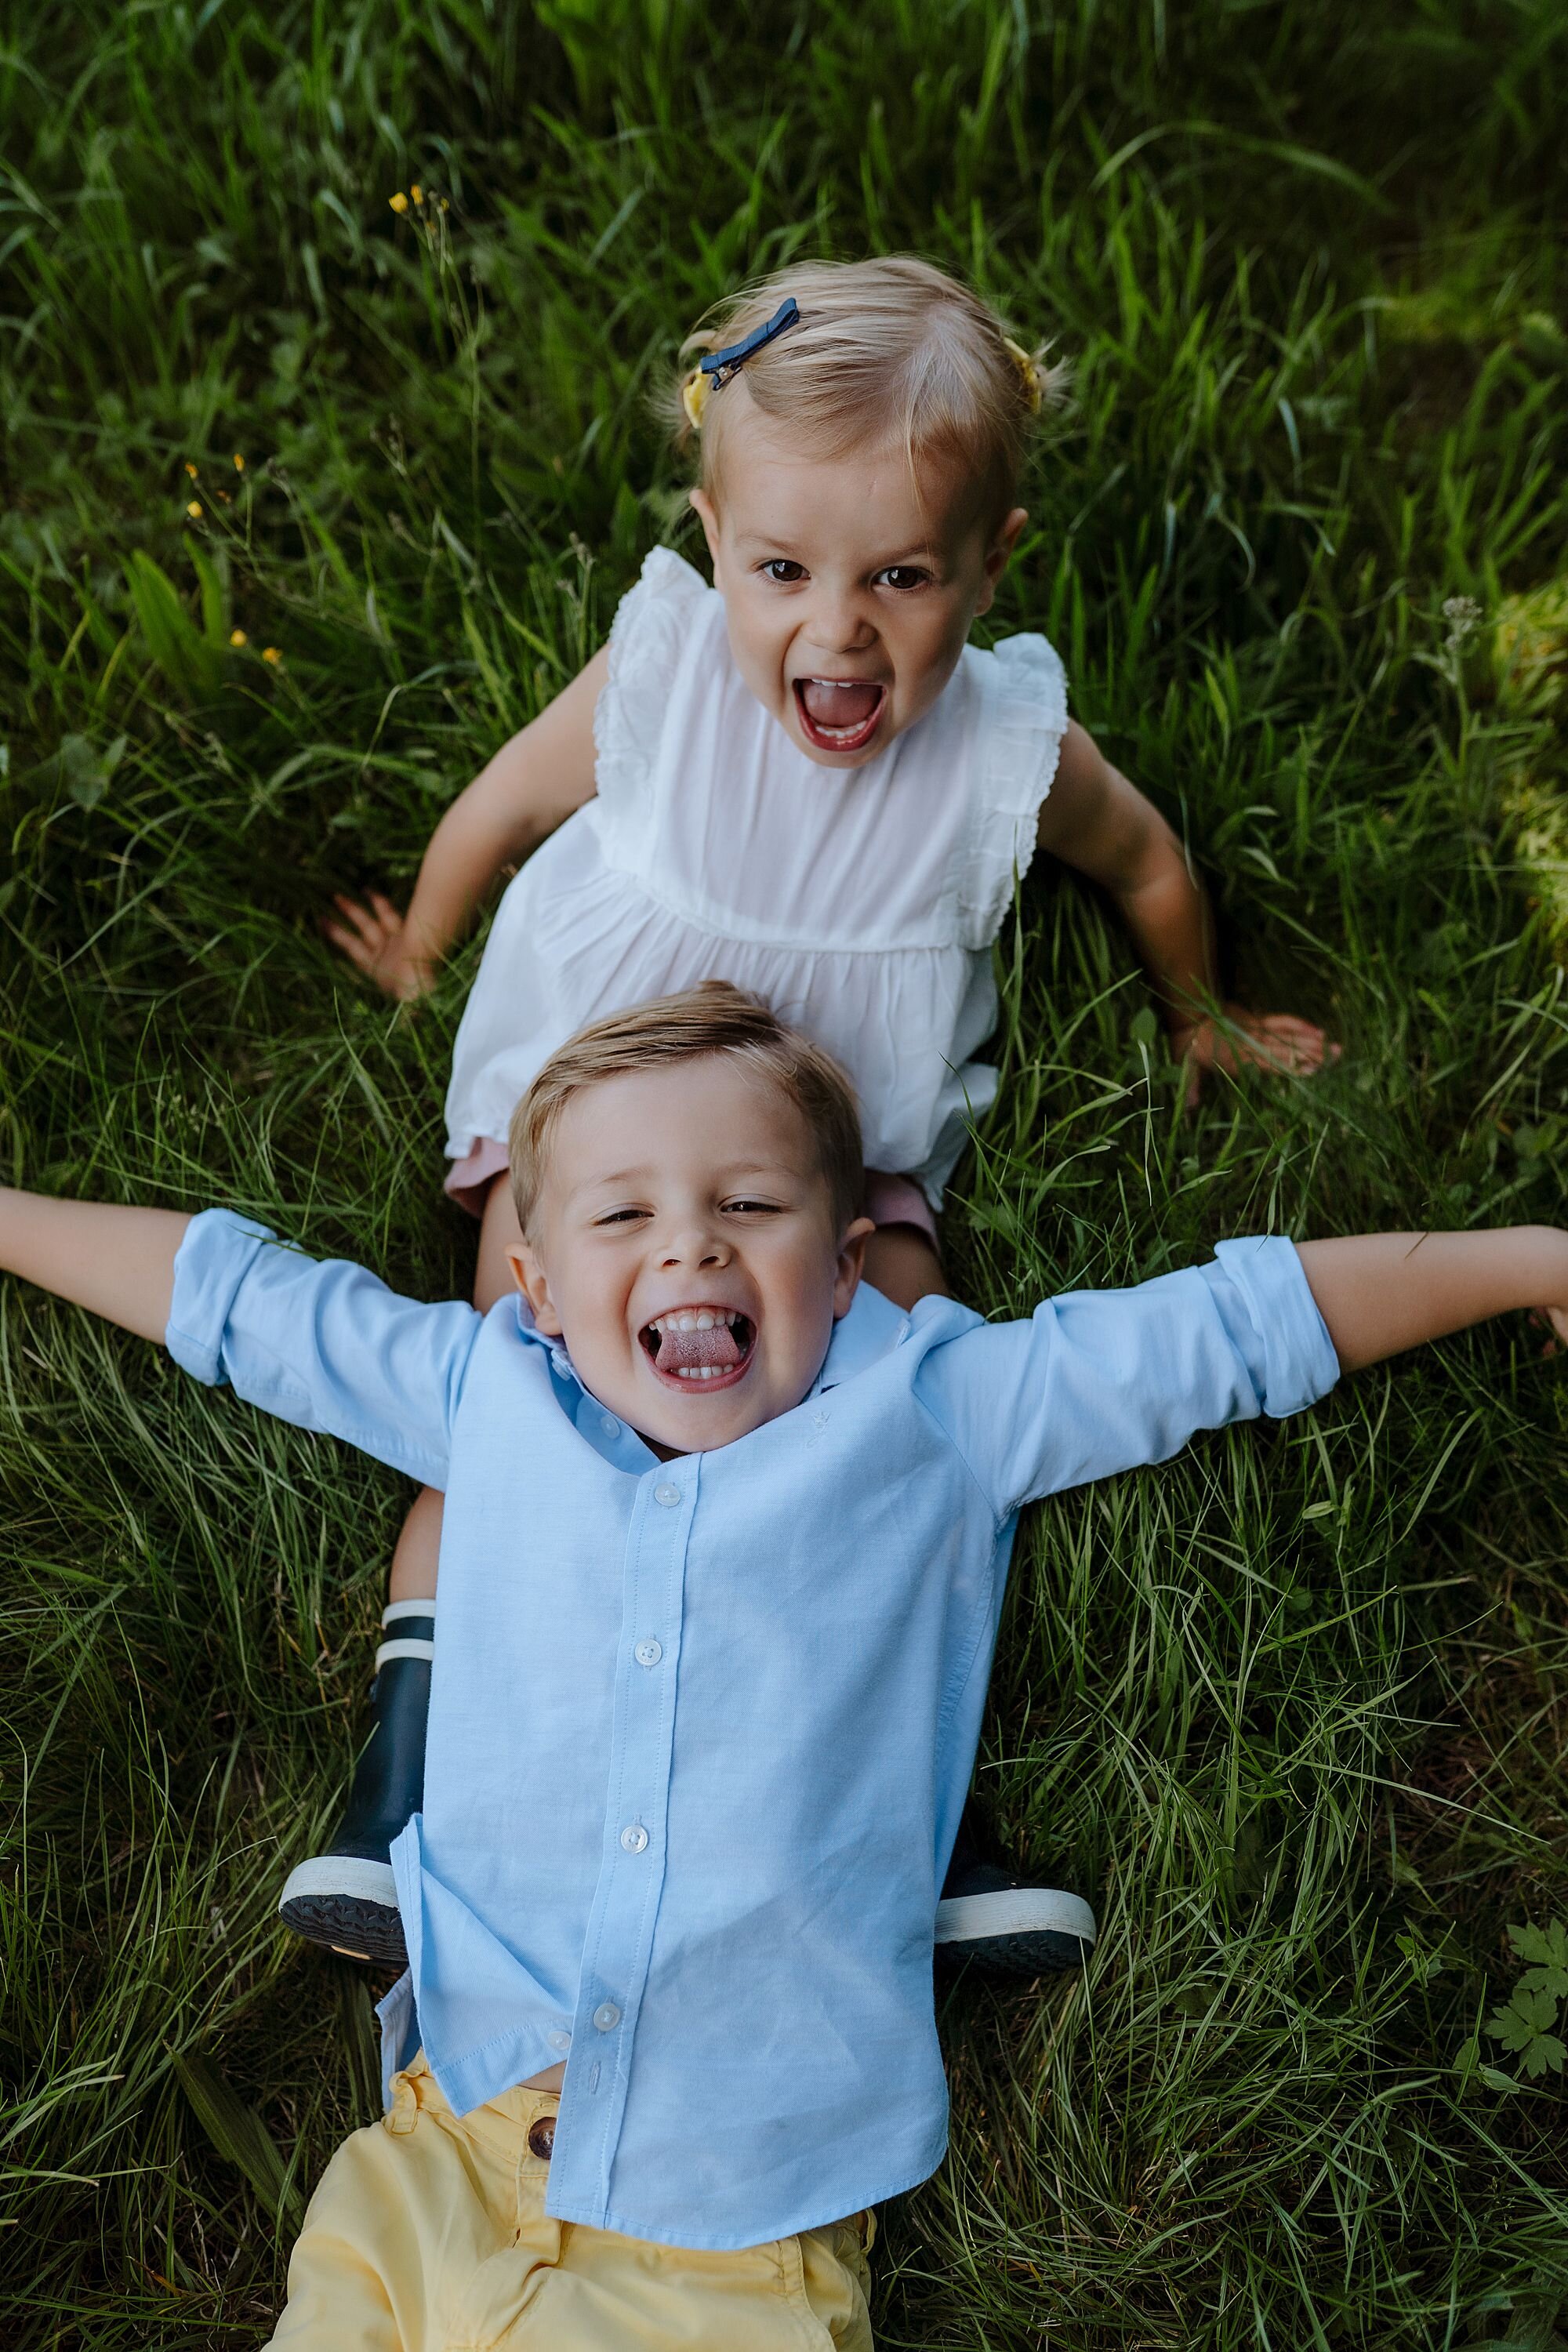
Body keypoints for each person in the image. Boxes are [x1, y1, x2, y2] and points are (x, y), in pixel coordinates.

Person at [0, 982, 1562, 2351]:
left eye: (747, 1203)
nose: (687, 1236)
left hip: (739, 2219)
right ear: (538, 1287)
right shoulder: (490, 1393)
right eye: (621, 1214)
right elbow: (241, 1300)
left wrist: (1523, 1259)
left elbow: (1227, 1332)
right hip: (437, 2156)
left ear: (841, 1266)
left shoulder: (941, 1408)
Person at [313, 253, 1333, 1975]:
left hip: (833, 1163)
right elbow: (500, 799)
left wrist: (1202, 1012)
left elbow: (1146, 858)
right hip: (607, 1139)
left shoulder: (1005, 749)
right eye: (781, 569)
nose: (836, 629)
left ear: (986, 568)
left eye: (901, 577)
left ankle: (920, 1821)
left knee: (908, 1411)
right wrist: (422, 943)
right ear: (715, 539)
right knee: (516, 1399)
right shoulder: (662, 686)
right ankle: (404, 1777)